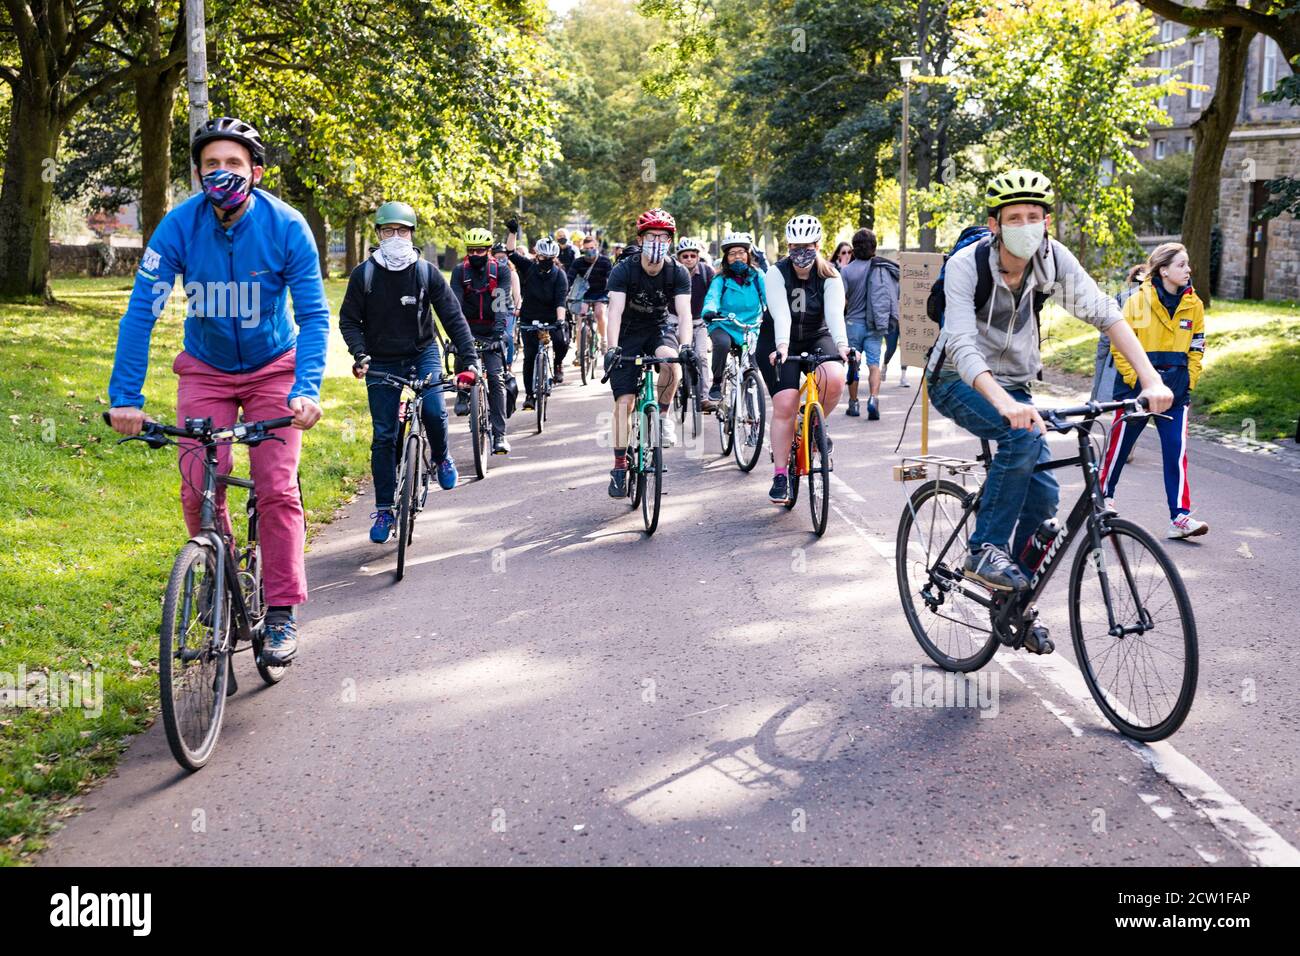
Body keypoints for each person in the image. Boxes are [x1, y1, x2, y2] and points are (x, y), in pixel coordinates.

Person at [107, 116, 328, 666]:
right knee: (197, 487)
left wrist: (305, 388)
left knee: (276, 486)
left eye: (233, 164)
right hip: (204, 369)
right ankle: (218, 574)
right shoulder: (179, 226)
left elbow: (315, 315)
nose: (221, 173)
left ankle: (280, 610)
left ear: (254, 171)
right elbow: (142, 311)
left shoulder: (287, 226)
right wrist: (126, 397)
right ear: (199, 174)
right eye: (211, 165)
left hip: (273, 368)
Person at [924, 168, 1174, 608]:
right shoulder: (966, 266)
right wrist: (1004, 404)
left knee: (1043, 497)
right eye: (1014, 217)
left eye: (1034, 216)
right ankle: (984, 550)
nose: (1025, 226)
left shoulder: (1052, 258)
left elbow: (1105, 313)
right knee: (1019, 437)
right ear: (994, 225)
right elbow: (962, 346)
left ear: (1046, 222)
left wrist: (1150, 378)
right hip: (955, 379)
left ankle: (1011, 602)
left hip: (1014, 384)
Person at [339, 202, 480, 543]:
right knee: (385, 436)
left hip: (422, 352)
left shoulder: (425, 272)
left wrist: (470, 359)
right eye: (389, 231)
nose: (396, 237)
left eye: (403, 231)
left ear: (412, 233)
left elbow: (452, 316)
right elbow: (348, 321)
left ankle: (443, 458)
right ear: (378, 234)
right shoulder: (364, 274)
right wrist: (360, 354)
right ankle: (385, 509)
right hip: (380, 361)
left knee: (433, 408)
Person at [1098, 242, 1208, 539]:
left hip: (1175, 391)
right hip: (1137, 389)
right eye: (1181, 265)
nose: (1188, 270)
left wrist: (1190, 379)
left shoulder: (1194, 304)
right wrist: (1136, 378)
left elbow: (1197, 345)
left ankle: (1180, 517)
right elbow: (1119, 344)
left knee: (1176, 453)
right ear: (1163, 270)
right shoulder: (1136, 301)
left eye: (1187, 265)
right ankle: (1102, 499)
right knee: (1119, 449)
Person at [602, 208, 695, 496]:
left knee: (672, 365)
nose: (657, 241)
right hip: (627, 333)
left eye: (663, 236)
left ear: (670, 241)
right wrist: (612, 348)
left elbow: (684, 314)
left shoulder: (677, 272)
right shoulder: (623, 270)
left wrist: (687, 345)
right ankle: (619, 465)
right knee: (624, 403)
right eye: (652, 235)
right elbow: (614, 312)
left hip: (657, 329)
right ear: (641, 239)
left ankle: (662, 418)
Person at [761, 214, 849, 504]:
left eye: (807, 247)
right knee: (785, 403)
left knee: (834, 378)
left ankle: (811, 424)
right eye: (795, 247)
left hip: (816, 334)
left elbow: (835, 315)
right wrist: (783, 346)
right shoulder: (776, 273)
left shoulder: (830, 275)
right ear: (788, 246)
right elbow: (781, 314)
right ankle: (780, 475)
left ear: (817, 245)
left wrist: (843, 345)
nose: (801, 253)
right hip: (777, 339)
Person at [449, 226, 512, 454]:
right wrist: (457, 335)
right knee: (460, 355)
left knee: (496, 379)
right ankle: (463, 393)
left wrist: (497, 335)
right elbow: (453, 305)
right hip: (466, 329)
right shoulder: (459, 272)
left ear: (488, 250)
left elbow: (501, 302)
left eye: (480, 250)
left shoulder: (500, 271)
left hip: (490, 331)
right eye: (471, 250)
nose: (475, 255)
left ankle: (499, 436)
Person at [505, 226, 571, 404]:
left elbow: (560, 301)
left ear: (554, 258)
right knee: (530, 355)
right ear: (536, 255)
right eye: (542, 257)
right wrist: (512, 233)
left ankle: (557, 363)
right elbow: (510, 252)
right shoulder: (528, 267)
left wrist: (559, 321)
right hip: (529, 317)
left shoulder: (560, 276)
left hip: (551, 317)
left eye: (550, 258)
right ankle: (529, 396)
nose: (545, 261)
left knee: (561, 342)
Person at [701, 232, 767, 405]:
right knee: (722, 344)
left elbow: (768, 296)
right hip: (724, 324)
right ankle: (716, 383)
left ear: (748, 255)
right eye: (732, 253)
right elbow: (712, 297)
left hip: (750, 327)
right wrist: (709, 311)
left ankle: (752, 403)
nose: (737, 256)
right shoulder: (720, 279)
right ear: (726, 257)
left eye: (741, 252)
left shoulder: (757, 275)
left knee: (753, 365)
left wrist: (772, 312)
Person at [841, 228, 900, 419]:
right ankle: (874, 399)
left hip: (853, 324)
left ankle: (854, 404)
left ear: (854, 248)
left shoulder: (847, 271)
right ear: (873, 247)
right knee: (874, 364)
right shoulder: (883, 268)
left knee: (853, 364)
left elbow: (843, 300)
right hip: (875, 323)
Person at [670, 237, 714, 408]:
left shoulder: (706, 272)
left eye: (692, 256)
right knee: (675, 356)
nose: (689, 259)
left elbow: (714, 294)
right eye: (685, 256)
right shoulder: (672, 273)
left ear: (698, 256)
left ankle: (704, 397)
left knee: (702, 356)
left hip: (699, 320)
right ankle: (676, 386)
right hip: (675, 319)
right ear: (679, 257)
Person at [568, 232, 613, 357]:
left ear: (596, 247)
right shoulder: (578, 262)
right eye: (587, 249)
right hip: (584, 295)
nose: (589, 251)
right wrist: (565, 291)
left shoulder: (605, 261)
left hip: (601, 293)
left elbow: (611, 278)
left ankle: (603, 339)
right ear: (583, 249)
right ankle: (580, 351)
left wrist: (610, 292)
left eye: (592, 248)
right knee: (580, 318)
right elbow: (569, 278)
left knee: (599, 313)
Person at [493, 241, 523, 367]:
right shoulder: (489, 271)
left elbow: (516, 294)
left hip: (508, 308)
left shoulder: (512, 273)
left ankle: (509, 364)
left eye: (503, 256)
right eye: (497, 256)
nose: (500, 259)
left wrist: (518, 307)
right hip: (493, 308)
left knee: (508, 336)